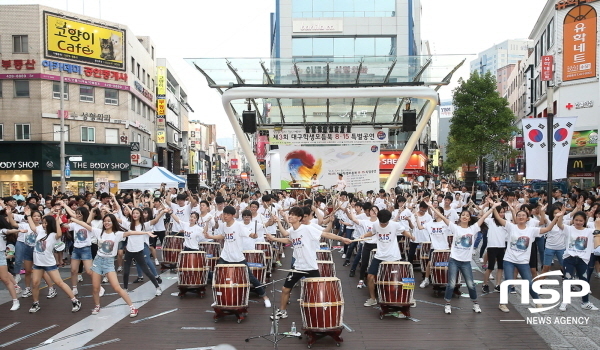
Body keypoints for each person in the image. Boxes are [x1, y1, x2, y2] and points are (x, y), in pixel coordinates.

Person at [266, 206, 351, 319]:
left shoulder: (307, 228)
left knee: (317, 291)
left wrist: (341, 239)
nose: (290, 216)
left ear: (299, 218)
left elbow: (325, 234)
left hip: (310, 267)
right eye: (289, 214)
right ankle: (282, 311)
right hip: (297, 267)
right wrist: (274, 238)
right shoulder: (292, 230)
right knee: (285, 289)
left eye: (293, 215)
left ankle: (322, 311)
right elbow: (288, 238)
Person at [69, 214, 156, 316]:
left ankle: (133, 308)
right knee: (95, 288)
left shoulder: (117, 234)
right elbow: (84, 224)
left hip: (109, 263)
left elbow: (131, 232)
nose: (107, 223)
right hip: (98, 262)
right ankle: (97, 306)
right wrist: (73, 219)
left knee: (117, 287)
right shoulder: (99, 232)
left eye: (109, 221)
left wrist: (146, 232)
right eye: (105, 221)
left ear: (113, 222)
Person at [427, 199, 498, 314]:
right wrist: (432, 207)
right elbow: (442, 217)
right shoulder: (455, 228)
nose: (465, 216)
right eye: (463, 215)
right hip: (454, 260)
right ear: (460, 218)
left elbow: (483, 217)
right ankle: (448, 304)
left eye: (467, 215)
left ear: (469, 218)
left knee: (471, 284)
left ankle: (475, 303)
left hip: (466, 262)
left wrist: (493, 207)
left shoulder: (473, 228)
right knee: (451, 284)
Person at [493, 202, 563, 313]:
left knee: (529, 282)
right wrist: (493, 207)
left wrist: (556, 218)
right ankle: (502, 303)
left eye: (523, 215)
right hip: (509, 260)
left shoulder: (531, 230)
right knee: (508, 281)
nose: (521, 217)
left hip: (523, 261)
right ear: (515, 217)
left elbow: (548, 229)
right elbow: (497, 217)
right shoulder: (511, 227)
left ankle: (537, 301)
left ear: (527, 218)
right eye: (519, 215)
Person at [204, 206, 271, 308]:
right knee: (217, 276)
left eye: (227, 214)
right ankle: (218, 299)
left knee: (250, 277)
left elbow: (249, 234)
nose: (225, 216)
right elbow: (223, 236)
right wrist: (211, 237)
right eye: (224, 214)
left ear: (233, 215)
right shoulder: (223, 225)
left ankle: (265, 297)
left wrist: (253, 235)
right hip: (225, 255)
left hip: (238, 257)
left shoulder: (239, 225)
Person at [23, 210, 82, 313]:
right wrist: (28, 215)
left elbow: (59, 233)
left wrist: (57, 221)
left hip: (49, 264)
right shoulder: (40, 230)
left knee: (59, 282)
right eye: (43, 222)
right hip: (38, 264)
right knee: (35, 283)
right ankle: (36, 303)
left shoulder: (54, 235)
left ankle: (75, 301)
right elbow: (32, 227)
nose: (43, 224)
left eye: (45, 223)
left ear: (50, 224)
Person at [363, 209, 414, 307]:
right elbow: (372, 232)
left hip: (393, 256)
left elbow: (404, 231)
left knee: (400, 278)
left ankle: (409, 297)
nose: (382, 225)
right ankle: (372, 298)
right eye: (381, 223)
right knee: (370, 276)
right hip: (379, 256)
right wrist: (364, 235)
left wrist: (410, 236)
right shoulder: (376, 225)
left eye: (385, 223)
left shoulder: (394, 225)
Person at [559, 211, 599, 311]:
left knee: (584, 281)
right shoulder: (569, 229)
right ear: (573, 220)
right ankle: (565, 302)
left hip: (583, 260)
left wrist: (597, 225)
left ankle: (585, 302)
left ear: (584, 221)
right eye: (576, 220)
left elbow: (598, 234)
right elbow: (559, 224)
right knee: (567, 280)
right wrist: (560, 216)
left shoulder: (589, 231)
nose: (578, 222)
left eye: (581, 220)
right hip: (569, 258)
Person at [0, 218, 26, 311]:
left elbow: (9, 231)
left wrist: (19, 230)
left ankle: (15, 301)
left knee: (5, 279)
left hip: (0, 256)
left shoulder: (1, 231)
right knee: (5, 275)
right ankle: (16, 286)